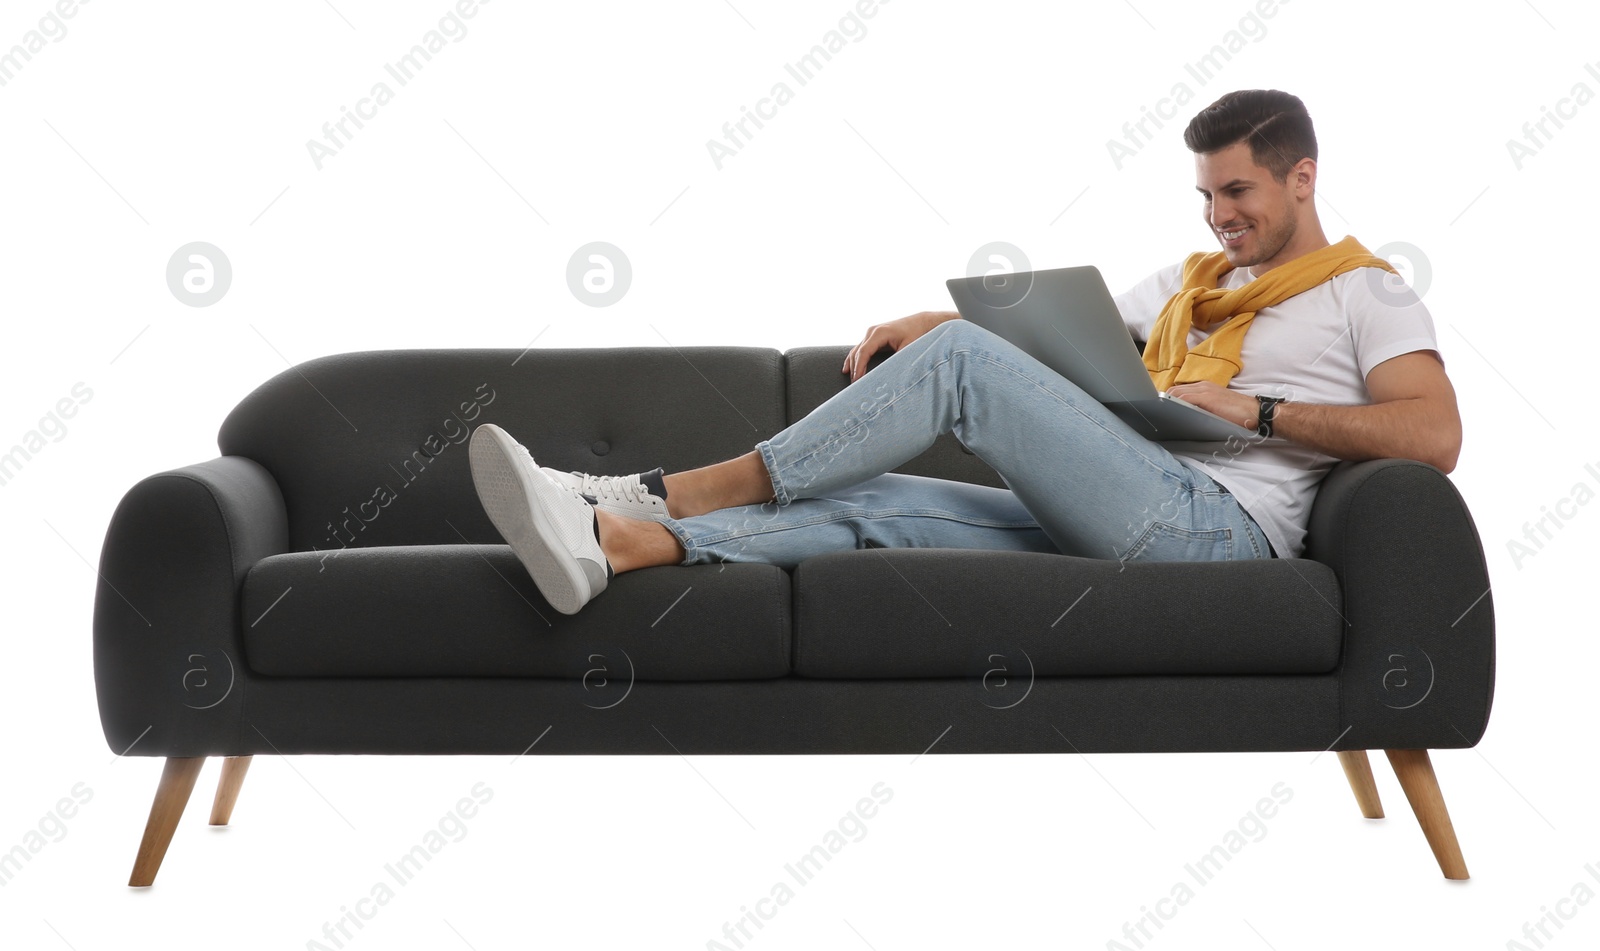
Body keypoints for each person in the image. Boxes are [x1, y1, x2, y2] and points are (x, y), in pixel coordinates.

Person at [467, 89, 1460, 616]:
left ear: (1302, 176)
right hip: (1137, 493)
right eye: (1204, 195)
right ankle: (617, 548)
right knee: (873, 504)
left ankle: (655, 494)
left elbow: (1435, 434)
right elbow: (1058, 353)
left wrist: (1265, 413)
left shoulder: (1364, 290)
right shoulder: (1190, 284)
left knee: (963, 369)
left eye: (1236, 193)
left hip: (1222, 534)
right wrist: (932, 322)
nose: (1219, 215)